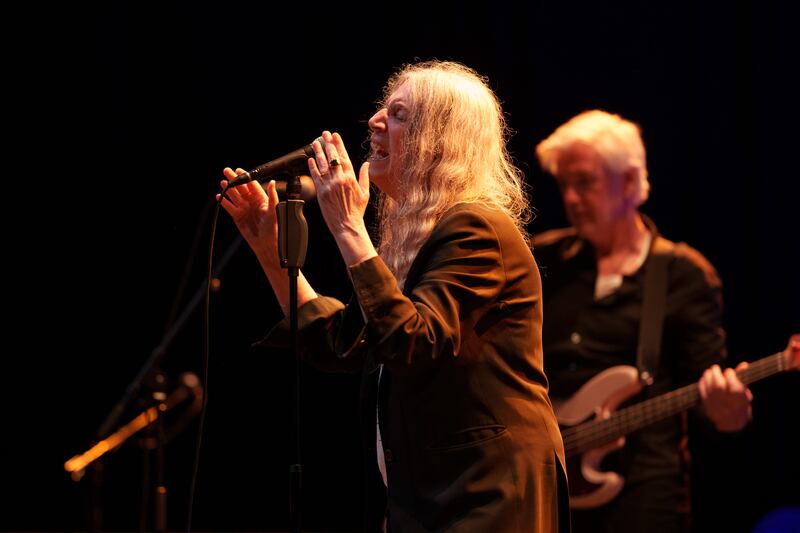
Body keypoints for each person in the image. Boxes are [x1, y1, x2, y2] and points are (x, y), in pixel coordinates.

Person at [218, 61, 569, 532]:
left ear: (441, 141)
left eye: (399, 114)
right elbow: (344, 342)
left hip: (488, 492)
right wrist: (268, 249)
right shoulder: (424, 241)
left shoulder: (477, 227)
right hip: (434, 494)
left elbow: (411, 341)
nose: (374, 122)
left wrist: (347, 227)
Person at [531, 109, 759, 532]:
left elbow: (709, 396)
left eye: (585, 182)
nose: (572, 199)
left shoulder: (682, 274)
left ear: (631, 183)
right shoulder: (542, 260)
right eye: (564, 185)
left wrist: (729, 412)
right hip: (548, 488)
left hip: (642, 499)